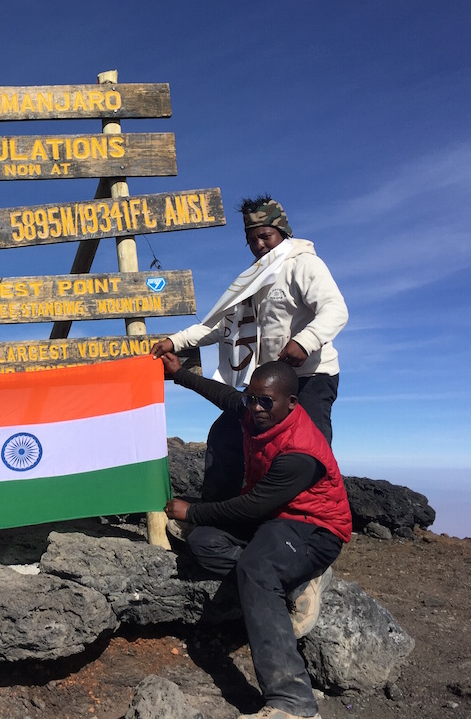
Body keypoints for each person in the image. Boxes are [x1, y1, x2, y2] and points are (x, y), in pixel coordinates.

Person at [159, 355, 351, 719]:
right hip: (274, 521)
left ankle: (293, 703)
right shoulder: (253, 410)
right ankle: (293, 581)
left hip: (314, 528)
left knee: (257, 568)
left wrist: (193, 511)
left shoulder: (300, 451)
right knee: (202, 543)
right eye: (253, 398)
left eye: (267, 401)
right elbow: (222, 394)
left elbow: (251, 507)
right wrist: (178, 374)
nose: (257, 407)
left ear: (290, 402)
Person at [151, 195, 348, 502]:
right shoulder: (254, 279)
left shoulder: (304, 264)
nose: (258, 245)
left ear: (282, 232)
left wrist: (305, 342)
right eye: (251, 240)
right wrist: (174, 341)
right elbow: (218, 326)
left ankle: (311, 522)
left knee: (309, 452)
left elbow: (335, 309)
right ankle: (215, 515)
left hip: (311, 379)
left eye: (264, 236)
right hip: (267, 388)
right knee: (226, 436)